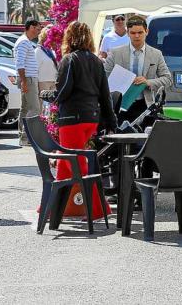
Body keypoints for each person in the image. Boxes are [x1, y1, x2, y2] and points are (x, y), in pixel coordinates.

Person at [53, 21, 117, 219]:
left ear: (69, 37)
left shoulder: (69, 60)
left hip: (72, 118)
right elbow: (105, 94)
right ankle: (56, 207)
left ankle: (98, 208)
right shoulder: (97, 61)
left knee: (76, 164)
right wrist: (111, 122)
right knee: (67, 162)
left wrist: (49, 96)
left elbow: (63, 91)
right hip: (91, 118)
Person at [103, 15, 172, 125]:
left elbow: (167, 79)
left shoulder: (156, 54)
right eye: (133, 33)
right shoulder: (115, 53)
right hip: (120, 106)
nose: (137, 36)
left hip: (145, 105)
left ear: (146, 32)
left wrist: (148, 82)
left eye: (140, 32)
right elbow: (103, 78)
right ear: (127, 33)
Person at [14, 19, 42, 145]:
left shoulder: (24, 41)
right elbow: (19, 64)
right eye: (37, 29)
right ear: (31, 27)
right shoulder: (24, 42)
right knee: (34, 108)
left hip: (28, 78)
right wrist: (24, 81)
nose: (39, 32)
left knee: (25, 109)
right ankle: (28, 137)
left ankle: (24, 138)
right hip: (28, 78)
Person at [35, 26, 58, 92]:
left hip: (54, 81)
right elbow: (35, 69)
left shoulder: (51, 51)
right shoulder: (38, 51)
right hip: (43, 81)